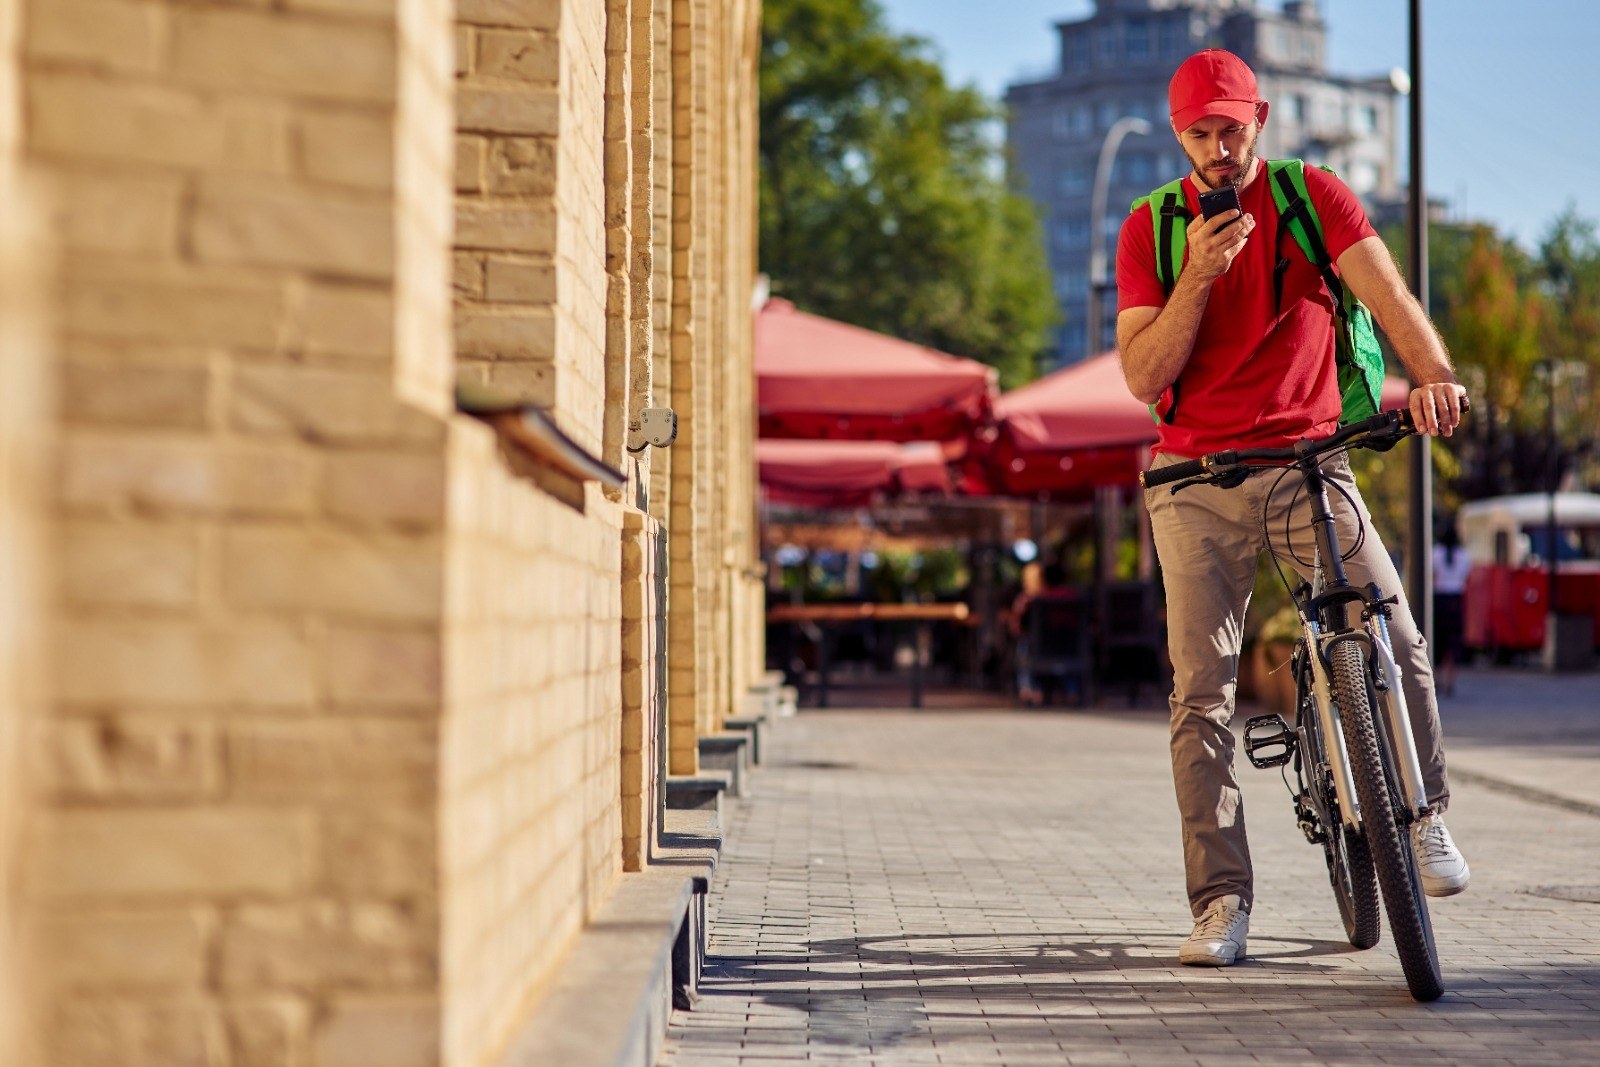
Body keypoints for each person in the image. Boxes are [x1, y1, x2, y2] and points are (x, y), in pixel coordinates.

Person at [1115, 49, 1471, 967]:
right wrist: (1196, 275)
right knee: (1202, 694)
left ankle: (1424, 815)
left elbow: (1388, 296)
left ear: (1260, 117)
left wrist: (1433, 376)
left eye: (1232, 128)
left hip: (1308, 463)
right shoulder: (1151, 229)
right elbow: (1142, 378)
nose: (1220, 148)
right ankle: (1221, 901)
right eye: (1201, 133)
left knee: (1393, 628)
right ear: (1179, 135)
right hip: (1192, 481)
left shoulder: (1314, 196)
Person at [1432, 517, 1473, 697]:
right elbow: (1466, 579)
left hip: (1439, 598)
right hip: (1456, 600)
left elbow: (1432, 577)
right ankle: (1451, 680)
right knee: (1453, 641)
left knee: (1438, 640)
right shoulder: (1464, 556)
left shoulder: (1435, 553)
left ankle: (1437, 678)